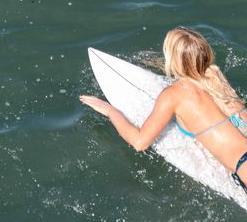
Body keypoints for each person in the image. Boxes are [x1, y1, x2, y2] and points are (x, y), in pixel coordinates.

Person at [80, 27, 247, 192]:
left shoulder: (173, 95)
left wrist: (111, 111)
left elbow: (140, 142)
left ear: (173, 60)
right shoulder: (216, 76)